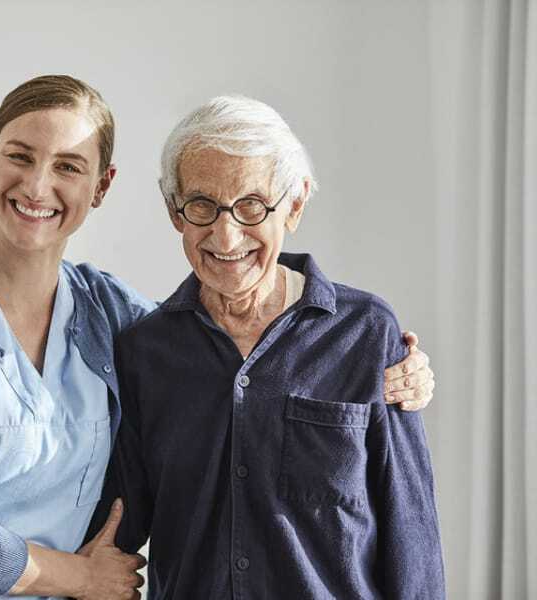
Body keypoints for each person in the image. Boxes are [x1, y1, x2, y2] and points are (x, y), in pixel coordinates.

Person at [0, 76, 435, 600]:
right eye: (20, 157)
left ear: (100, 186)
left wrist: (405, 371)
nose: (36, 187)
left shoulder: (112, 313)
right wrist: (81, 577)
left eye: (68, 167)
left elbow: (218, 336)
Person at [94, 95, 444, 598]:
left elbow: (410, 531)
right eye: (202, 206)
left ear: (294, 205)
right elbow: (118, 524)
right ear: (176, 213)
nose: (227, 233)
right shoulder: (144, 351)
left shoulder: (366, 333)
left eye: (251, 205)